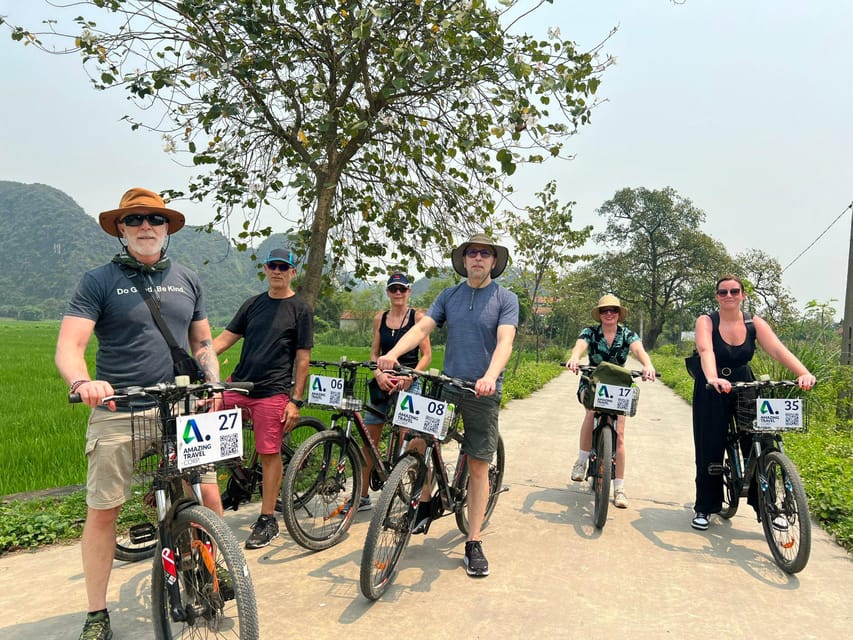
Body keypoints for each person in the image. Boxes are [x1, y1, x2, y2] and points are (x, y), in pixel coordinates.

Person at [55, 187, 221, 640]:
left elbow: (202, 343)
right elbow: (70, 346)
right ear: (121, 230)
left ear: (166, 228)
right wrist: (82, 382)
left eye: (154, 219)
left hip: (182, 407)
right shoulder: (99, 281)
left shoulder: (187, 278)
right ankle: (96, 612)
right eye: (135, 220)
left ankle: (213, 567)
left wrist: (212, 382)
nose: (146, 226)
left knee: (206, 493)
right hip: (120, 408)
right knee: (104, 509)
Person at [377, 233, 519, 578]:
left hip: (483, 391)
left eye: (485, 254)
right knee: (417, 441)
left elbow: (505, 341)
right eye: (472, 253)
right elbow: (423, 326)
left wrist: (490, 375)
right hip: (449, 384)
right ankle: (425, 502)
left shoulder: (505, 298)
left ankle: (473, 541)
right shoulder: (449, 296)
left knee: (478, 466)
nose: (478, 259)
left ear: (494, 262)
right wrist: (393, 354)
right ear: (465, 259)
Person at [690, 275, 815, 531]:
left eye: (734, 291)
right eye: (723, 292)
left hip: (744, 382)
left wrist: (802, 372)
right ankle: (705, 506)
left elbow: (778, 350)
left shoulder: (753, 322)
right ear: (717, 296)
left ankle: (768, 506)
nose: (729, 296)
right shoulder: (707, 321)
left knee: (759, 443)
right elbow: (706, 350)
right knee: (709, 444)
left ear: (743, 295)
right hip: (712, 385)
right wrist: (713, 377)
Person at [213, 247, 314, 549]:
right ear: (266, 269)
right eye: (273, 265)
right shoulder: (253, 304)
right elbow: (223, 340)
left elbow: (303, 359)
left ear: (293, 271)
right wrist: (196, 360)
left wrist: (295, 400)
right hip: (238, 386)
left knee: (269, 452)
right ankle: (236, 483)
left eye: (284, 266)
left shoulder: (300, 309)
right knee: (208, 429)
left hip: (272, 390)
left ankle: (268, 519)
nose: (278, 271)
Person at [348, 273, 432, 513]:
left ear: (409, 292)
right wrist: (378, 374)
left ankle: (401, 491)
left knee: (406, 440)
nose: (398, 293)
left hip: (408, 381)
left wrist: (410, 377)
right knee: (369, 439)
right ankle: (361, 497)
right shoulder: (380, 318)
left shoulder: (418, 317)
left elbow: (426, 355)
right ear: (388, 292)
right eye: (393, 289)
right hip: (383, 380)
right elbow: (375, 352)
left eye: (402, 289)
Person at [565, 295, 656, 508]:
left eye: (613, 310)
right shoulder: (590, 332)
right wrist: (575, 358)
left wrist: (647, 365)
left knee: (621, 435)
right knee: (590, 412)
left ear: (618, 313)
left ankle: (620, 488)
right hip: (592, 381)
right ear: (600, 313)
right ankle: (581, 461)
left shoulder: (627, 334)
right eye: (605, 310)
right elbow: (580, 346)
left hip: (618, 386)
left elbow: (638, 350)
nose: (609, 314)